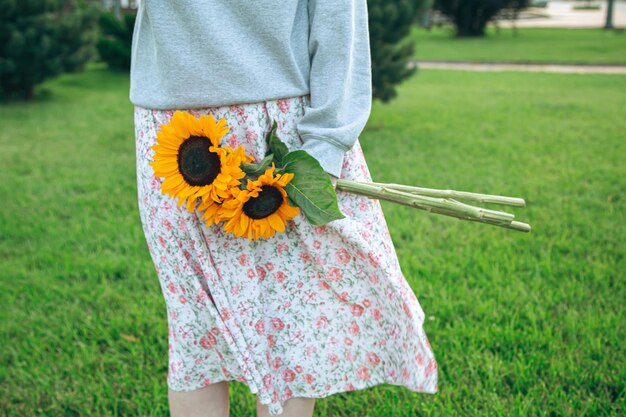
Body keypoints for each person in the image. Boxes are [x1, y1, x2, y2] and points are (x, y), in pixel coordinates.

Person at [129, 1, 438, 416]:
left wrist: (325, 147)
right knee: (197, 327)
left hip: (273, 129)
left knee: (282, 328)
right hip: (174, 136)